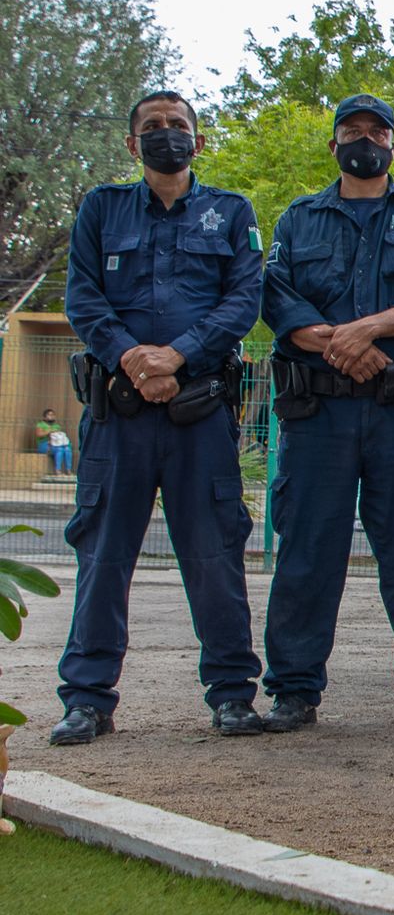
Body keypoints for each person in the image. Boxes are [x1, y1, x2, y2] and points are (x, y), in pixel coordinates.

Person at [52, 90, 266, 744]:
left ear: (198, 142)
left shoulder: (230, 212)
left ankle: (232, 694)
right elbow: (82, 295)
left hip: (197, 413)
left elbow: (244, 298)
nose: (166, 134)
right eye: (153, 126)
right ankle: (88, 699)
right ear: (131, 143)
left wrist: (177, 354)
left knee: (213, 556)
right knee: (104, 555)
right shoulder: (101, 208)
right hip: (119, 414)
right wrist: (131, 357)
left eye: (178, 126)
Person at [258, 94, 394, 734]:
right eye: (352, 131)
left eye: (378, 131)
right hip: (318, 413)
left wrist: (364, 332)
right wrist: (341, 347)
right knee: (306, 556)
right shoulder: (298, 218)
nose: (365, 140)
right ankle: (294, 692)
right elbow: (275, 296)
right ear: (334, 144)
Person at [36, 410, 72, 476]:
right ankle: (58, 470)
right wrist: (49, 431)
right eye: (49, 415)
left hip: (56, 443)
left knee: (67, 450)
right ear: (44, 417)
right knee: (59, 450)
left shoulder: (56, 426)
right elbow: (39, 434)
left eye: (53, 415)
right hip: (44, 445)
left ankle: (68, 470)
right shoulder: (41, 424)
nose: (51, 416)